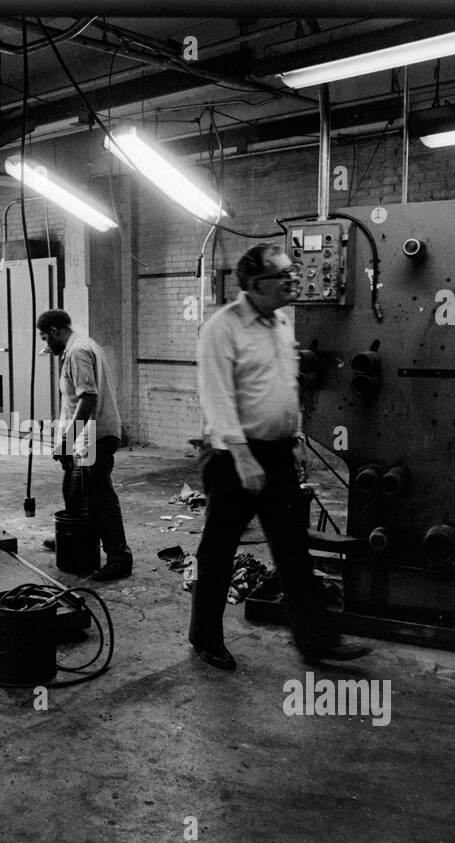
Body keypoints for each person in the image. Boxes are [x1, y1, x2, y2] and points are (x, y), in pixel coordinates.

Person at [188, 243, 369, 670]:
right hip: (234, 457)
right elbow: (217, 396)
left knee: (292, 550)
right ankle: (205, 637)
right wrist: (244, 457)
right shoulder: (222, 327)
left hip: (279, 453)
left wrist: (297, 438)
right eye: (283, 277)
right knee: (219, 550)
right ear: (254, 284)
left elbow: (285, 388)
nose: (293, 282)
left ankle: (317, 642)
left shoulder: (282, 321)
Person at [36, 309, 133, 581]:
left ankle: (119, 557)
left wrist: (67, 441)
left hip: (96, 436)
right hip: (85, 436)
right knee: (74, 489)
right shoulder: (80, 346)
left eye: (46, 338)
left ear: (55, 331)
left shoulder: (78, 351)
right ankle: (73, 537)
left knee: (99, 495)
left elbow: (87, 398)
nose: (46, 344)